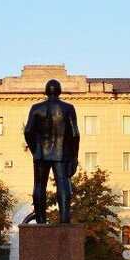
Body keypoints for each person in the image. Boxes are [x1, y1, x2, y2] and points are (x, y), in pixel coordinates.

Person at [23, 79, 80, 224]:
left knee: (39, 186)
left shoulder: (36, 108)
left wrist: (35, 148)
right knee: (63, 183)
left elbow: (28, 130)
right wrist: (74, 156)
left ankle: (41, 221)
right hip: (61, 153)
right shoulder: (68, 108)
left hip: (41, 152)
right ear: (60, 91)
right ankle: (65, 220)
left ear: (46, 92)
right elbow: (75, 134)